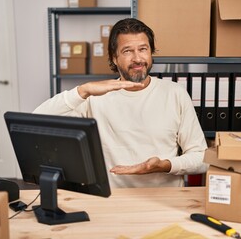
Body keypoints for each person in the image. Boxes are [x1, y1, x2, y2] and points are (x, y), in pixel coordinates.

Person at [34, 18, 208, 188]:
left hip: (166, 199)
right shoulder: (95, 96)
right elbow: (36, 120)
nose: (137, 58)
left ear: (151, 52)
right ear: (114, 58)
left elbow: (202, 159)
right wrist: (83, 91)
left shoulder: (175, 93)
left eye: (143, 49)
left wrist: (165, 165)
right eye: (127, 51)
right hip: (113, 198)